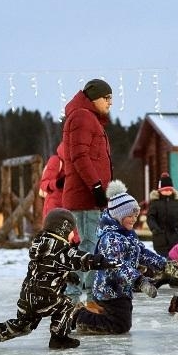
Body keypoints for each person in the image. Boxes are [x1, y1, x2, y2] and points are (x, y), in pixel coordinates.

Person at [0, 208, 117, 350]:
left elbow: (46, 268)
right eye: (72, 231)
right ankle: (59, 338)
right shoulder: (61, 249)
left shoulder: (41, 244)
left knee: (22, 326)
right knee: (67, 304)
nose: (73, 235)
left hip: (27, 297)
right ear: (62, 229)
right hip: (45, 297)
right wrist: (103, 262)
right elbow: (83, 259)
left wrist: (67, 274)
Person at [73, 180, 178, 335]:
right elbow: (117, 266)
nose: (134, 219)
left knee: (123, 322)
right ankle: (79, 316)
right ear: (119, 216)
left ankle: (92, 312)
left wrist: (164, 265)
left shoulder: (127, 233)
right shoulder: (110, 238)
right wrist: (139, 281)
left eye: (135, 215)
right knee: (119, 325)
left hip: (122, 289)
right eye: (130, 215)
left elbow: (141, 252)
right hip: (109, 289)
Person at [60, 79, 114, 303]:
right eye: (107, 97)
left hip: (90, 198)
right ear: (94, 98)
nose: (111, 102)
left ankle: (91, 297)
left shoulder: (89, 118)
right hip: (84, 197)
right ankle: (71, 298)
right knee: (87, 245)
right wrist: (97, 186)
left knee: (94, 246)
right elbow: (80, 157)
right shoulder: (82, 117)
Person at [146, 173, 178, 257]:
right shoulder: (155, 203)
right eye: (165, 190)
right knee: (165, 259)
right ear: (160, 190)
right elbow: (150, 217)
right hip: (161, 237)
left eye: (169, 190)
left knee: (176, 258)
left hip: (175, 236)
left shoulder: (175, 202)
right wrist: (155, 229)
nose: (167, 192)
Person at [38, 143, 66, 218]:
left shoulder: (77, 163)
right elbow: (44, 183)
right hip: (54, 210)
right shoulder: (56, 160)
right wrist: (57, 183)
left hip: (69, 210)